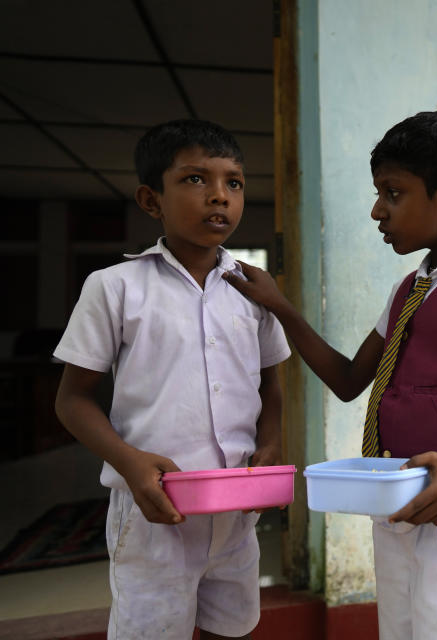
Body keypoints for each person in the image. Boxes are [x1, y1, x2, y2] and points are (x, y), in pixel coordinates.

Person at [224, 110, 437, 640]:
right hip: (398, 497)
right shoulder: (409, 288)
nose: (377, 210)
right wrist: (282, 308)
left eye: (393, 193)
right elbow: (348, 380)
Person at [53, 119, 291, 640]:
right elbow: (72, 400)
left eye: (233, 182)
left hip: (236, 512)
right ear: (150, 199)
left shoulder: (255, 292)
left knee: (234, 627)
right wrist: (129, 462)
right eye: (195, 180)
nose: (219, 196)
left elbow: (271, 384)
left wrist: (270, 443)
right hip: (153, 510)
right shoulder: (115, 287)